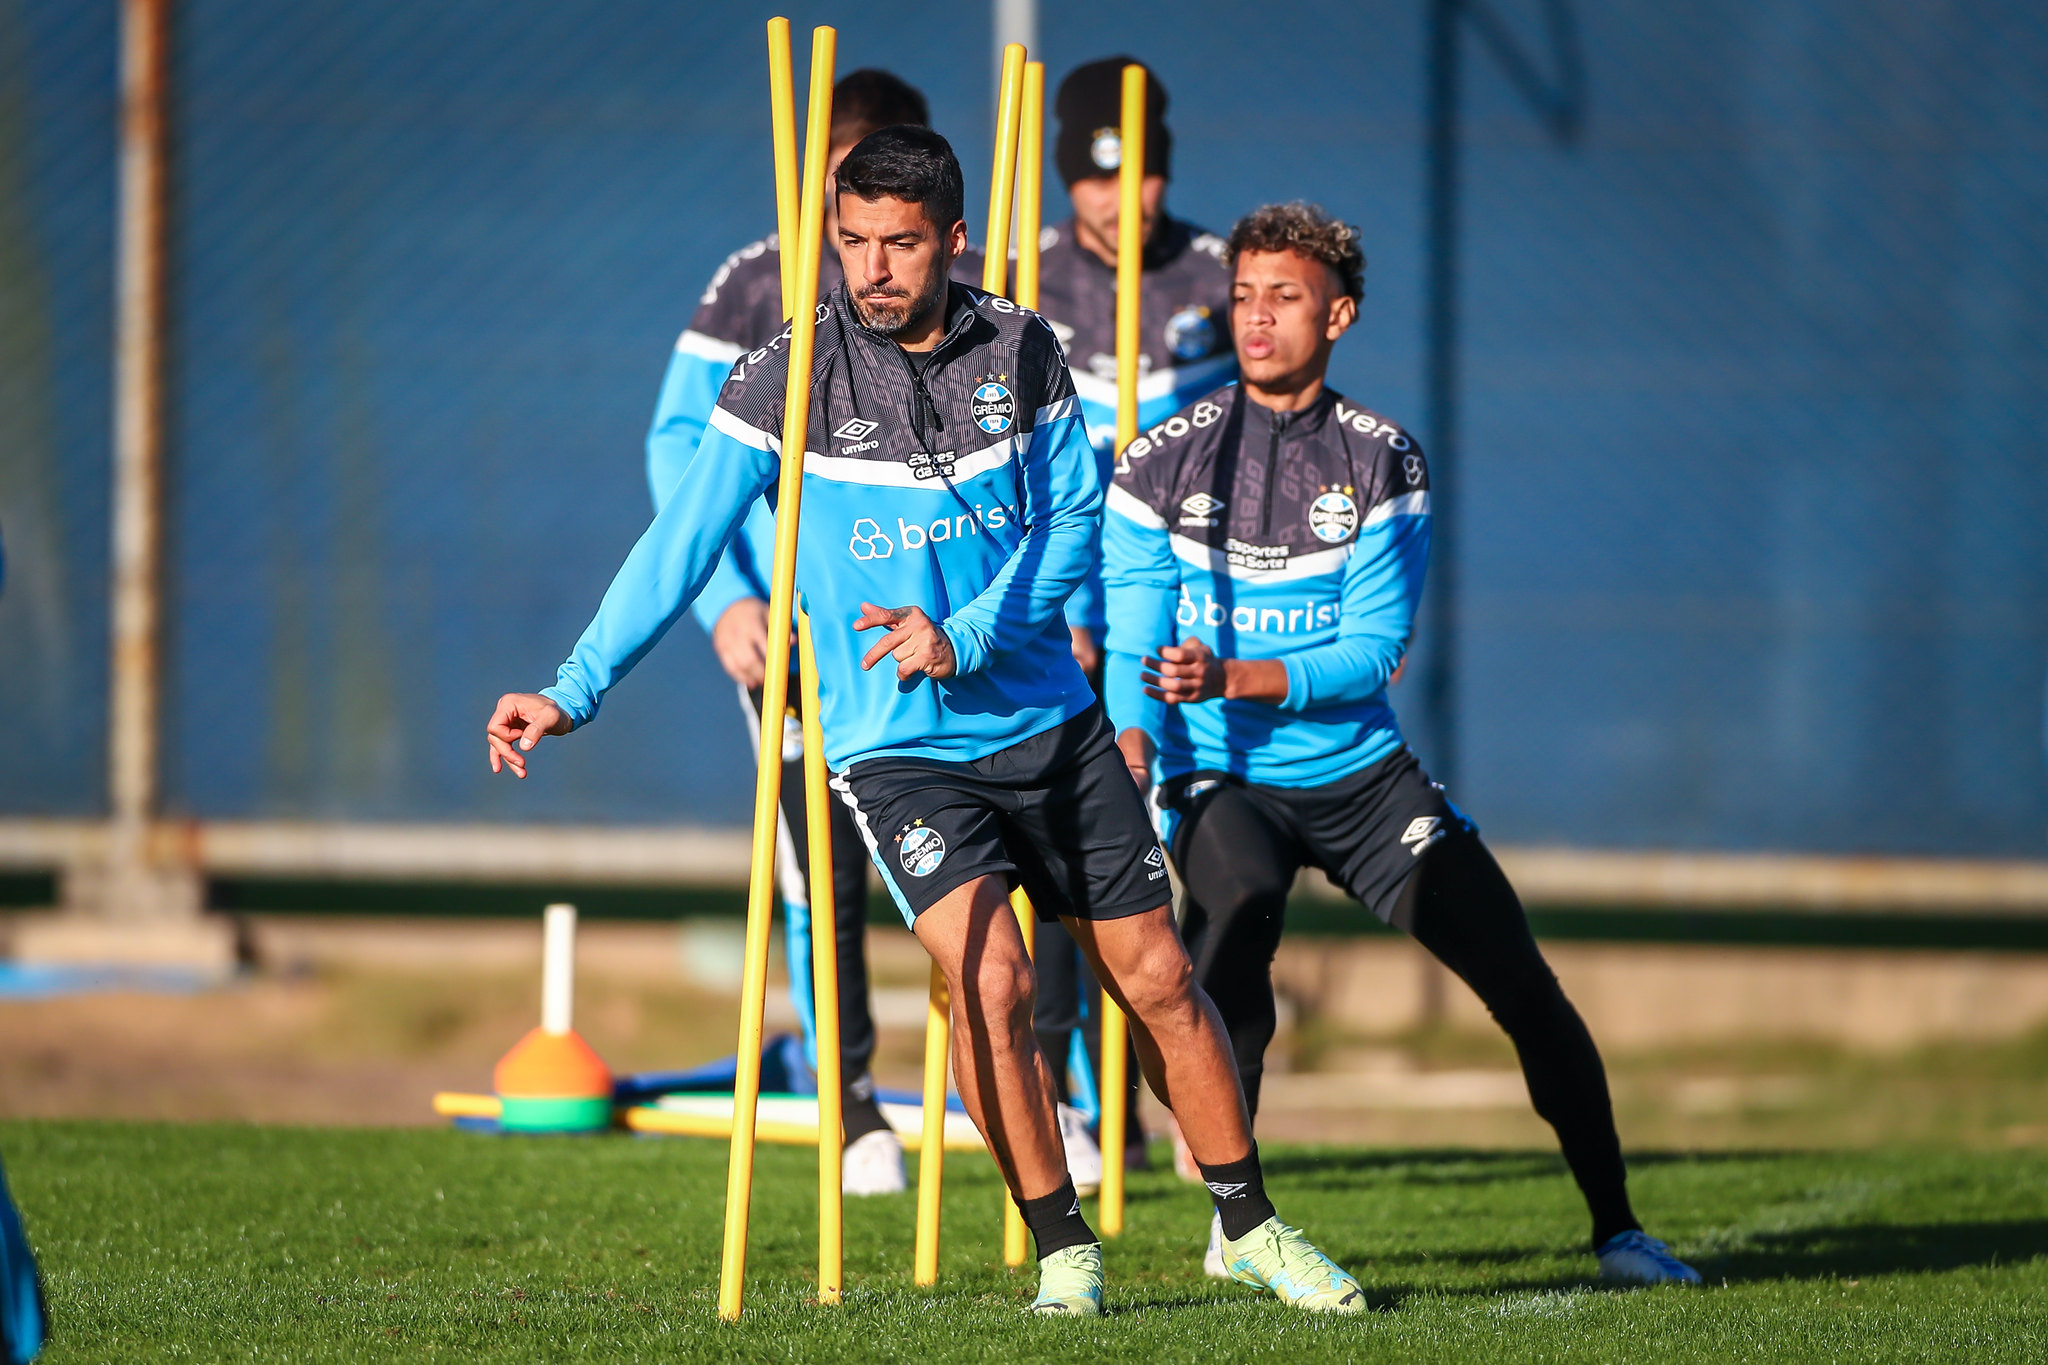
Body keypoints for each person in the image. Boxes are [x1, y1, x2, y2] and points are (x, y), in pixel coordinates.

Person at [488, 129, 1365, 1316]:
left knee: (1156, 975)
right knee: (990, 980)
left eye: (899, 242)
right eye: (851, 241)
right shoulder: (783, 373)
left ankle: (1250, 1226)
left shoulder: (1022, 346)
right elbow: (678, 543)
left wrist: (970, 633)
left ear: (953, 238)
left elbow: (1069, 530)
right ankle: (1063, 1252)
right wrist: (571, 687)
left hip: (1049, 724)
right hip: (897, 752)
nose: (872, 267)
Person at [1101, 201, 1702, 1288]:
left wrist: (1238, 672)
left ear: (1339, 316)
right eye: (1241, 297)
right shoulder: (1160, 459)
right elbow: (1134, 621)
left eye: (1283, 298)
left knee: (1520, 984)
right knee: (1234, 914)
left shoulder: (1380, 460)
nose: (1255, 318)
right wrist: (1137, 744)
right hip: (1218, 774)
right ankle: (1240, 1223)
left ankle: (1618, 1228)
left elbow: (1372, 652)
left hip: (1361, 778)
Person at [647, 70, 983, 1197]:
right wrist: (729, 602)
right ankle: (849, 1115)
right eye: (846, 192)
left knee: (978, 864)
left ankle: (1044, 1096)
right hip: (789, 638)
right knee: (818, 872)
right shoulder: (752, 284)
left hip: (926, 637)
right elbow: (677, 449)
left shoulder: (963, 293)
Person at [1024, 56, 1239, 1178]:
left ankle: (1174, 1091)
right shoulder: (1023, 281)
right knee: (1064, 850)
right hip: (1062, 606)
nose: (1122, 202)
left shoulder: (1215, 277)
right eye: (1099, 181)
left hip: (1183, 610)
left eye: (1143, 175)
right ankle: (1069, 1098)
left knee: (1188, 853)